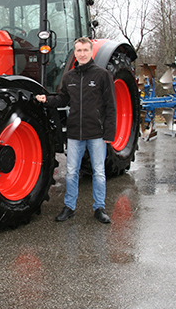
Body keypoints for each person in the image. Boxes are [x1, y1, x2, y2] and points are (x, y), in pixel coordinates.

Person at [35, 37, 116, 224]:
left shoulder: (102, 75)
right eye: (78, 51)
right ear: (75, 53)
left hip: (96, 133)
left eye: (85, 50)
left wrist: (109, 133)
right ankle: (69, 207)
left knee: (99, 172)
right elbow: (63, 99)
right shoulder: (69, 77)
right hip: (75, 134)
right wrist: (46, 99)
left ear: (91, 52)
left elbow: (111, 106)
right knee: (71, 172)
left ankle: (99, 208)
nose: (82, 54)